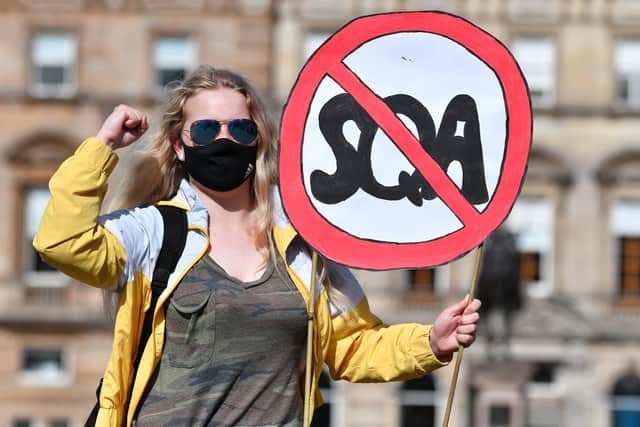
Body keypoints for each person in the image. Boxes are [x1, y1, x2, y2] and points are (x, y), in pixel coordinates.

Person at [33, 65, 481, 427]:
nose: (225, 140)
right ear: (180, 145)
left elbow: (352, 348)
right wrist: (103, 145)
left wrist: (432, 342)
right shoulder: (154, 232)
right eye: (206, 130)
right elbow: (61, 243)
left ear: (259, 140)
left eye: (241, 130)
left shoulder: (305, 240)